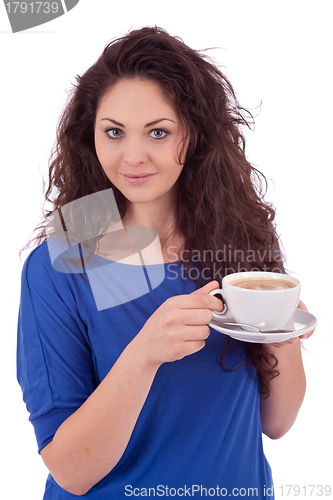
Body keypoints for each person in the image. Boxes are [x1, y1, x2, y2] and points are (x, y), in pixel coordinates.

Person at [17, 26, 313, 499]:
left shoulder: (243, 241)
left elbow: (277, 423)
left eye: (158, 132)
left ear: (194, 134)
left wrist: (282, 333)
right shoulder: (61, 262)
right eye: (114, 132)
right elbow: (70, 471)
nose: (133, 156)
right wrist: (145, 352)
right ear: (89, 135)